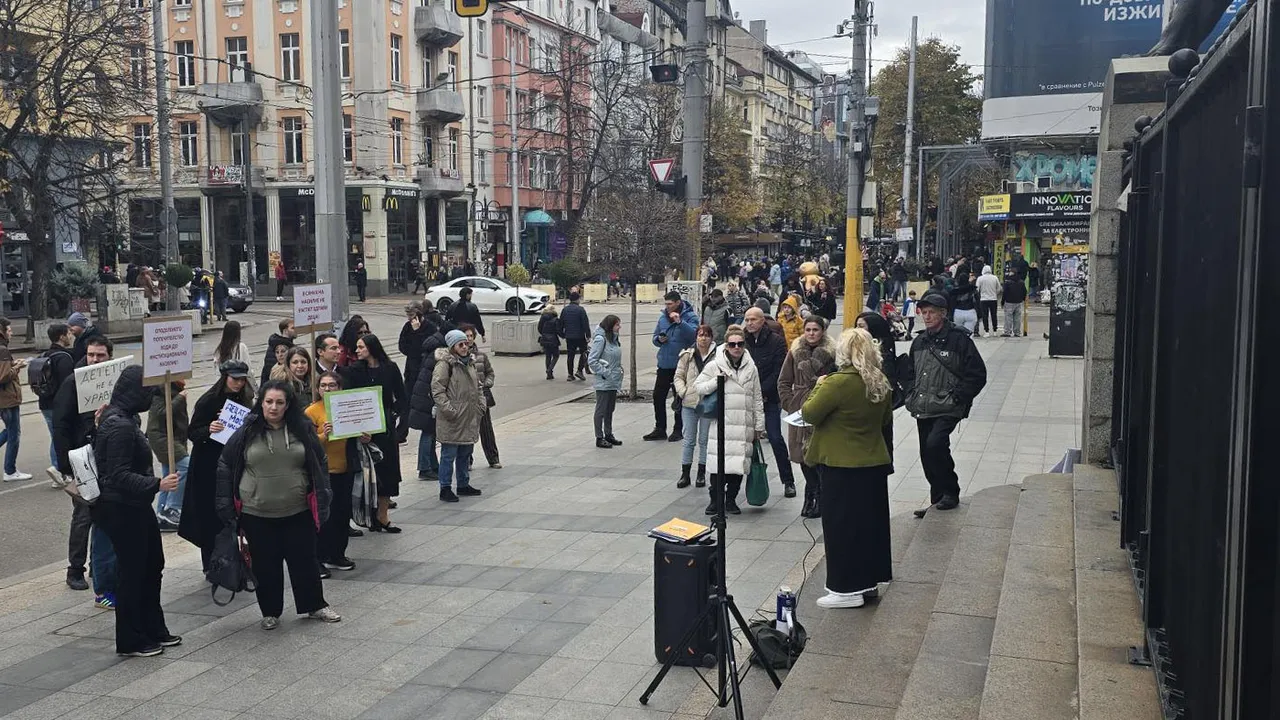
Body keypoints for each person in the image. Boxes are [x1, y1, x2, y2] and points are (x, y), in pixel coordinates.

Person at [215, 380, 341, 630]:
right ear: (261, 403)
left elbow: (319, 461)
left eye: (279, 402)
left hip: (298, 510)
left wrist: (324, 495)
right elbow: (225, 466)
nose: (273, 407)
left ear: (288, 405)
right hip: (256, 513)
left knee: (304, 561)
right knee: (265, 565)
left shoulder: (302, 429)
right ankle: (270, 611)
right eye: (269, 401)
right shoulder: (245, 432)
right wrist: (225, 505)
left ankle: (314, 604)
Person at [802, 328, 895, 609]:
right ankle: (868, 581)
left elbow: (809, 413)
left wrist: (819, 384)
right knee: (868, 526)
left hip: (841, 465)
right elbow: (885, 419)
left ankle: (846, 589)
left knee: (841, 527)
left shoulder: (837, 383)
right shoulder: (879, 381)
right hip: (873, 463)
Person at [92, 366, 182, 656]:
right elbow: (116, 474)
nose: (150, 398)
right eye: (147, 392)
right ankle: (131, 638)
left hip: (135, 505)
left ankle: (153, 627)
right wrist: (158, 483)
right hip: (122, 508)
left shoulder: (123, 417)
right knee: (134, 572)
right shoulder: (119, 425)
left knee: (151, 565)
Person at [906, 292, 988, 517]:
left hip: (948, 406)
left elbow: (977, 374)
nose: (927, 316)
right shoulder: (920, 341)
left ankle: (950, 491)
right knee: (927, 453)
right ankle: (937, 498)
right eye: (924, 312)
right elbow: (910, 372)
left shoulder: (959, 339)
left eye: (932, 312)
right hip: (923, 406)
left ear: (943, 314)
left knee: (935, 445)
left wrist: (958, 397)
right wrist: (911, 393)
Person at [51, 336, 118, 604]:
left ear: (109, 357)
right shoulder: (74, 382)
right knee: (83, 515)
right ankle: (75, 569)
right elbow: (61, 426)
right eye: (91, 355)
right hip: (81, 458)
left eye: (100, 356)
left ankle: (96, 566)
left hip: (108, 456)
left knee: (104, 515)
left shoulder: (114, 382)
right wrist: (66, 466)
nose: (94, 360)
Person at [180, 360, 255, 573]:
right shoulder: (208, 401)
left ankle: (237, 558)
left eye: (242, 379)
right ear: (225, 378)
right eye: (234, 379)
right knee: (209, 514)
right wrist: (209, 430)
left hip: (234, 463)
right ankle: (211, 563)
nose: (238, 383)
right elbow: (193, 433)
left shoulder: (246, 400)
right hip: (208, 465)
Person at [695, 325, 765, 516]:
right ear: (726, 345)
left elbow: (757, 397)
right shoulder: (715, 365)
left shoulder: (751, 367)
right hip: (722, 424)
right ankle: (715, 500)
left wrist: (760, 425)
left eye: (740, 344)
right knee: (719, 467)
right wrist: (716, 381)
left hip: (744, 424)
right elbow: (699, 387)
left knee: (738, 467)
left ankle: (731, 500)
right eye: (732, 344)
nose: (736, 347)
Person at [342, 334, 407, 531]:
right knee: (366, 473)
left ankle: (383, 515)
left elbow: (401, 396)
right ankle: (368, 514)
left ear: (372, 347)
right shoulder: (354, 370)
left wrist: (393, 416)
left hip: (384, 427)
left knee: (387, 471)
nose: (357, 350)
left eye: (361, 347)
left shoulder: (390, 368)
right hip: (363, 427)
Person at [307, 371, 366, 573]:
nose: (327, 389)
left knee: (342, 514)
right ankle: (320, 558)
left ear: (340, 388)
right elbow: (307, 444)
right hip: (324, 473)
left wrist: (365, 435)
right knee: (325, 517)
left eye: (332, 385)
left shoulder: (348, 406)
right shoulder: (312, 411)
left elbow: (361, 434)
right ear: (317, 389)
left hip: (345, 468)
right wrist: (324, 434)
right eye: (323, 386)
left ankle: (337, 554)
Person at [778, 316, 837, 519]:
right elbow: (784, 381)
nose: (811, 333)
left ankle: (820, 495)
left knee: (817, 453)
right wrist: (790, 402)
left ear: (822, 331)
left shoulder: (831, 353)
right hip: (799, 406)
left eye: (815, 330)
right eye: (808, 329)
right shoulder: (795, 352)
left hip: (821, 405)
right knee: (801, 453)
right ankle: (810, 491)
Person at [742, 307, 796, 497]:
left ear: (762, 321)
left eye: (753, 320)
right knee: (743, 440)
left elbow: (778, 372)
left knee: (774, 437)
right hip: (747, 399)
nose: (749, 323)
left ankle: (788, 481)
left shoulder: (776, 342)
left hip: (769, 398)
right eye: (747, 319)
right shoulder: (742, 341)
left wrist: (761, 391)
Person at [431, 329, 485, 502]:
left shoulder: (470, 362)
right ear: (452, 346)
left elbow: (478, 386)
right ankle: (445, 487)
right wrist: (449, 410)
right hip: (453, 417)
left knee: (465, 451)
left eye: (466, 344)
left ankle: (463, 484)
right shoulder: (445, 364)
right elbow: (437, 390)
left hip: (469, 416)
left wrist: (480, 406)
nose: (464, 347)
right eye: (460, 344)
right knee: (449, 454)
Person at [644, 292, 699, 442]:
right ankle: (660, 428)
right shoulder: (663, 317)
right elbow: (655, 338)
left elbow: (695, 335)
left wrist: (680, 322)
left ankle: (678, 429)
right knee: (658, 396)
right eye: (666, 304)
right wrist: (659, 339)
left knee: (679, 397)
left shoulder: (690, 316)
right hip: (664, 363)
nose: (667, 307)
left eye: (670, 304)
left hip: (681, 364)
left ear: (678, 302)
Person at [673, 324, 717, 488]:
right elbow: (678, 376)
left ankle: (701, 473)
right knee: (689, 440)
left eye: (706, 335)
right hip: (689, 403)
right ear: (696, 337)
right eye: (700, 335)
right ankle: (685, 474)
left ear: (711, 338)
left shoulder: (717, 356)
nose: (703, 338)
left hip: (708, 404)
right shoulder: (687, 355)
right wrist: (683, 392)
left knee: (705, 440)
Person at [147, 378, 189, 531]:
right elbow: (162, 414)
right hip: (162, 437)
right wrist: (179, 399)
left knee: (169, 473)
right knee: (186, 467)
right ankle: (172, 507)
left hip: (172, 437)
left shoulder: (174, 388)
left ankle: (161, 514)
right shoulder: (161, 390)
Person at [36, 323, 75, 487]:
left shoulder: (45, 355)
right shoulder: (64, 357)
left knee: (55, 434)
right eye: (69, 333)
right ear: (62, 337)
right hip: (58, 404)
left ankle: (58, 471)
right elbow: (68, 384)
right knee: (60, 435)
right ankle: (58, 468)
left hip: (44, 403)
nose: (71, 336)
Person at [461, 324, 501, 469]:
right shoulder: (458, 358)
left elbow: (490, 372)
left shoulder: (481, 356)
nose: (469, 339)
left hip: (482, 397)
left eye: (471, 336)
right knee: (467, 431)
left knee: (486, 429)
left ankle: (493, 458)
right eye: (466, 336)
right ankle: (467, 460)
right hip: (465, 399)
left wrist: (487, 383)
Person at [588, 315, 624, 449]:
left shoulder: (613, 339)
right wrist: (606, 372)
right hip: (603, 380)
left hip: (613, 380)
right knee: (601, 409)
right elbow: (592, 360)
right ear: (610, 326)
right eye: (617, 325)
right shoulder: (600, 339)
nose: (619, 327)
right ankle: (599, 437)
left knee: (610, 409)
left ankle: (608, 434)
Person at [0, 318, 28, 482]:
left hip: (4, 399)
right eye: (9, 330)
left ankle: (10, 470)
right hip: (7, 398)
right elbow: (3, 376)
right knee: (14, 434)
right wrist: (17, 367)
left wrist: (12, 364)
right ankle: (10, 471)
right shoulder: (2, 349)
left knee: (10, 431)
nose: (11, 332)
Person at [560, 291, 591, 381]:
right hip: (580, 336)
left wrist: (562, 334)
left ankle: (570, 374)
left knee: (570, 355)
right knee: (584, 353)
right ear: (577, 299)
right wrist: (588, 335)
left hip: (569, 336)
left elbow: (560, 323)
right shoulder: (581, 310)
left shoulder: (565, 310)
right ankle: (579, 371)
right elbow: (585, 323)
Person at [399, 302, 430, 390]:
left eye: (411, 315)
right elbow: (402, 345)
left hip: (424, 365)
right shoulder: (407, 326)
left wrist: (417, 332)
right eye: (408, 315)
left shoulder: (429, 327)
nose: (409, 318)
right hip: (411, 366)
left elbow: (425, 346)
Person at [261, 319, 296, 387]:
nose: (296, 330)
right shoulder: (277, 345)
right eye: (293, 328)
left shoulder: (286, 344)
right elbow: (269, 369)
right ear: (285, 330)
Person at [537, 305, 563, 380]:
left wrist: (544, 334)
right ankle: (549, 370)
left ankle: (549, 375)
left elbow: (539, 328)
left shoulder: (542, 317)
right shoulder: (555, 319)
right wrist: (563, 336)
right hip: (553, 339)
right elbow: (558, 330)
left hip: (544, 339)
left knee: (548, 356)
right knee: (556, 355)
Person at [975, 265, 1002, 337]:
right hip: (993, 299)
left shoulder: (980, 278)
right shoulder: (995, 277)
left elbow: (977, 289)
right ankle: (995, 330)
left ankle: (986, 331)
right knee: (994, 315)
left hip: (983, 299)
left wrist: (980, 294)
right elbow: (999, 288)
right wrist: (995, 293)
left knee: (985, 315)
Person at [1001, 271, 1028, 337]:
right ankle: (1017, 332)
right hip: (1018, 302)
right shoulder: (1021, 282)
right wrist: (1023, 299)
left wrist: (1002, 301)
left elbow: (1004, 293)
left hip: (1009, 302)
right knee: (1017, 318)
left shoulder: (1008, 282)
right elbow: (1025, 292)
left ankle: (1007, 332)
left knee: (1008, 317)